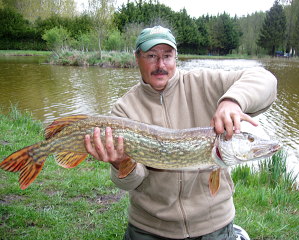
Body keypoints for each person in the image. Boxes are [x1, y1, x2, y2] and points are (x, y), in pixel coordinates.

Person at [84, 26, 277, 240]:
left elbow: (265, 80)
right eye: (151, 56)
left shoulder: (204, 83)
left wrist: (232, 101)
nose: (161, 65)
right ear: (137, 58)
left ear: (176, 57)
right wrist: (120, 164)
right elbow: (129, 182)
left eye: (167, 56)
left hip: (212, 223)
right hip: (149, 226)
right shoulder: (124, 109)